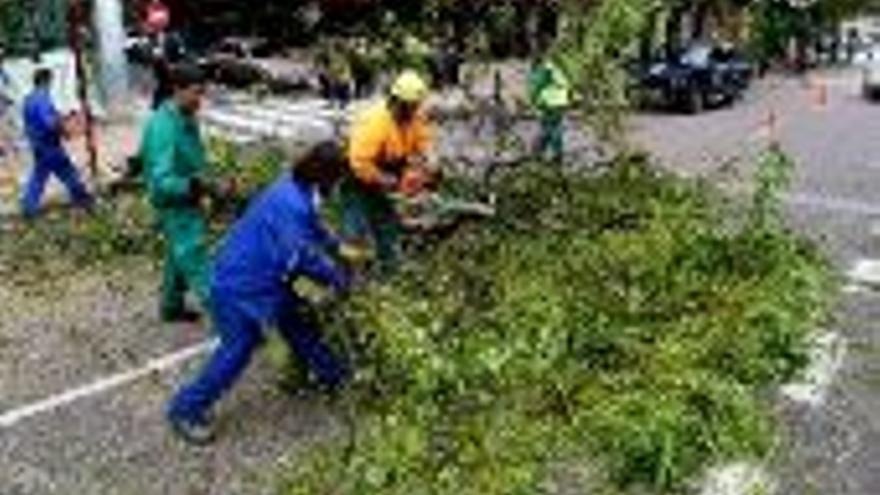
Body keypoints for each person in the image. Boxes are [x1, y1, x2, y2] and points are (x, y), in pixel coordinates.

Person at [166, 141, 353, 445]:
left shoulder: (293, 186)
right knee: (239, 348)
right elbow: (299, 256)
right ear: (326, 177)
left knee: (299, 322)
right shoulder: (293, 203)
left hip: (262, 277)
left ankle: (332, 376)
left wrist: (334, 244)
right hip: (242, 284)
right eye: (338, 180)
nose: (339, 188)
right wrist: (336, 277)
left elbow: (311, 225)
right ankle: (186, 409)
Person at [139, 64, 211, 323]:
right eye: (195, 93)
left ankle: (171, 307)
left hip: (187, 198)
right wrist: (195, 185)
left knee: (177, 254)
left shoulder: (184, 116)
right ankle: (232, 318)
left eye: (202, 93)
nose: (200, 100)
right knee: (196, 257)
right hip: (175, 202)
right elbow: (161, 181)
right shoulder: (163, 127)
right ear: (177, 90)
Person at [344, 70, 435, 273]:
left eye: (417, 106)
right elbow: (359, 163)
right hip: (358, 178)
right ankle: (348, 273)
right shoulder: (375, 123)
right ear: (398, 102)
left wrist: (429, 163)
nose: (415, 110)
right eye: (412, 106)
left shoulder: (414, 118)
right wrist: (387, 181)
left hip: (388, 172)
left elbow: (423, 143)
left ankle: (390, 266)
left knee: (387, 222)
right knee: (356, 227)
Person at [20, 68, 94, 217]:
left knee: (39, 176)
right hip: (49, 144)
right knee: (67, 172)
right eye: (50, 81)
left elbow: (46, 117)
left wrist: (63, 117)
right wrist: (64, 130)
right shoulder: (42, 98)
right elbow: (49, 122)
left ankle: (28, 207)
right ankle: (82, 198)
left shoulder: (28, 99)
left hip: (37, 144)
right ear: (45, 81)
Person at [528, 56, 572, 163]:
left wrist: (534, 105)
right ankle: (557, 154)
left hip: (547, 104)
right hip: (559, 103)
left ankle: (539, 153)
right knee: (554, 129)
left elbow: (534, 89)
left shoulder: (540, 72)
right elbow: (566, 85)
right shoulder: (554, 69)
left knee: (547, 129)